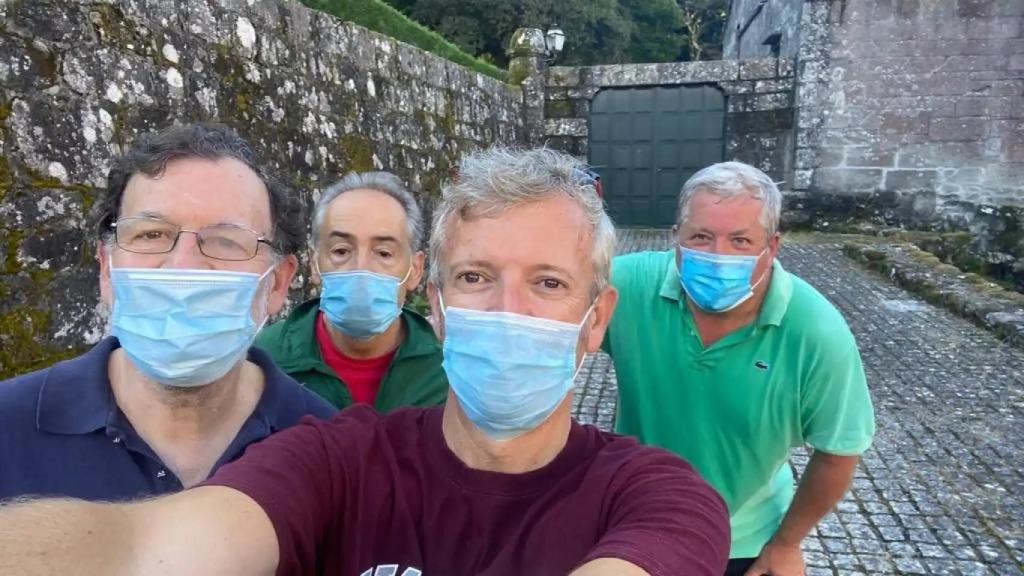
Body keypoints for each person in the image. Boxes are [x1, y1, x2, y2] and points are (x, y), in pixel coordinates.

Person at [0, 148, 730, 576]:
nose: (510, 311)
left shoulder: (660, 493)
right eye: (476, 278)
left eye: (548, 283)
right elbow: (150, 544)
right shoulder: (338, 453)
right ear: (436, 305)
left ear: (594, 319)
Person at [0, 123, 336, 501]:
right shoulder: (6, 429)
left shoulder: (335, 453)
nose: (183, 266)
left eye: (225, 240)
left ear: (277, 284)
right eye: (151, 234)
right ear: (108, 268)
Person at [603, 161, 875, 576]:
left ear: (773, 246)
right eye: (701, 236)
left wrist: (786, 543)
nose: (718, 256)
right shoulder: (627, 286)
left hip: (743, 537)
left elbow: (840, 449)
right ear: (675, 237)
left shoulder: (816, 331)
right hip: (633, 517)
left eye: (741, 240)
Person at [255, 172, 447, 410]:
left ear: (415, 270)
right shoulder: (263, 360)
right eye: (341, 251)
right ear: (315, 263)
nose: (361, 268)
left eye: (384, 253)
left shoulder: (445, 376)